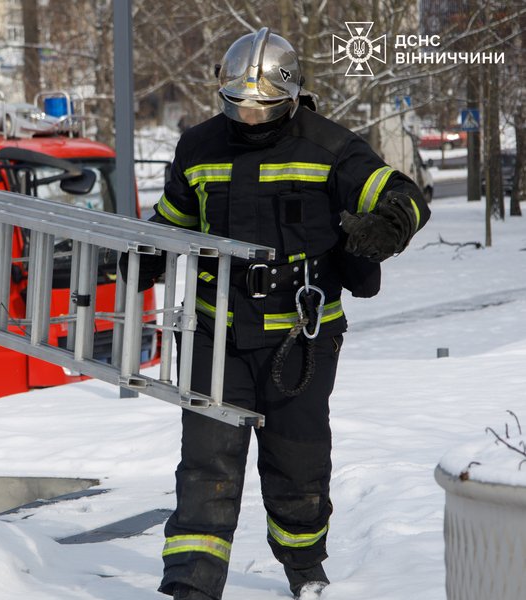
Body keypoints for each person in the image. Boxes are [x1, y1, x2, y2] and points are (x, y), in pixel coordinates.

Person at [141, 28, 431, 599]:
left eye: (263, 107)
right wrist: (145, 252)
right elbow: (173, 221)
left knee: (297, 464)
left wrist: (388, 226)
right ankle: (190, 585)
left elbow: (407, 196)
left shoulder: (331, 147)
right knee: (205, 466)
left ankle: (306, 572)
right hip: (214, 335)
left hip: (300, 338)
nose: (249, 118)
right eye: (238, 105)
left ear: (292, 96)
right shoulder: (197, 147)